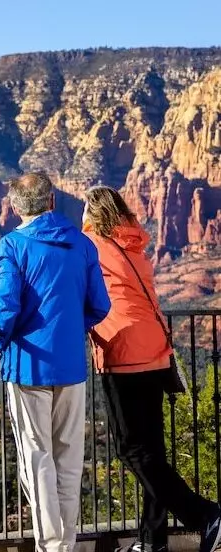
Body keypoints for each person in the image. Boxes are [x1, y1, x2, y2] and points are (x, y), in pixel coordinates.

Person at [82, 185, 221, 552]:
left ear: (92, 216)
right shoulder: (135, 245)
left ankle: (206, 516)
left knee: (131, 449)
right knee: (153, 451)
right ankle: (152, 540)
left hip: (123, 351)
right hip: (155, 351)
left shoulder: (91, 246)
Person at [0, 172, 111, 552]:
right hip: (72, 367)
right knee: (69, 458)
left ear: (14, 208)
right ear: (53, 201)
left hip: (27, 366)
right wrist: (73, 328)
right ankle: (66, 543)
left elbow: (6, 307)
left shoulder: (12, 245)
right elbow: (101, 305)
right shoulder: (83, 244)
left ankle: (54, 547)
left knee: (36, 459)